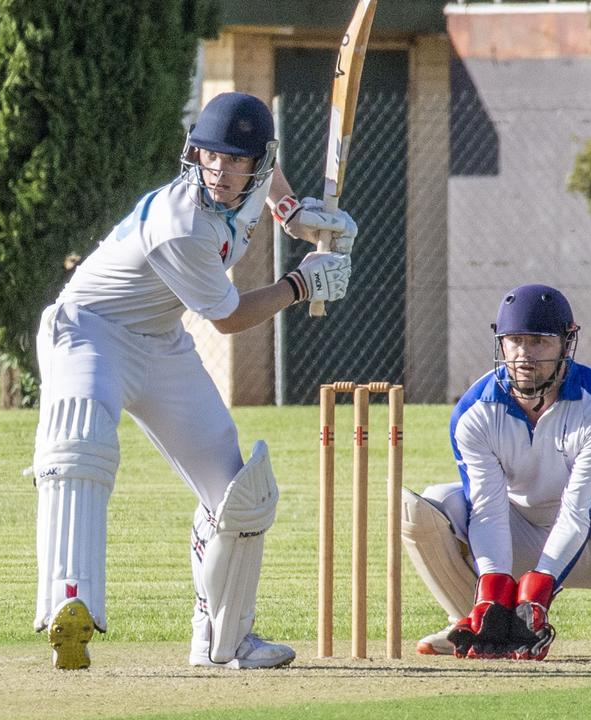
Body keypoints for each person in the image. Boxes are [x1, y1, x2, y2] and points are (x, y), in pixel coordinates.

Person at [31, 92, 357, 670]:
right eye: (211, 157)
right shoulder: (180, 224)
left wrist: (293, 213)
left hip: (161, 344)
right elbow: (228, 318)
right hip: (89, 331)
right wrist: (301, 285)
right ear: (195, 154)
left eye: (236, 161)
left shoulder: (255, 179)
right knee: (81, 446)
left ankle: (222, 641)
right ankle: (69, 607)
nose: (222, 172)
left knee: (243, 494)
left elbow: (271, 176)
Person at [400, 284, 591, 661]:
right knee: (426, 505)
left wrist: (538, 590)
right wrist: (495, 589)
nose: (524, 355)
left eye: (539, 342)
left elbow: (578, 510)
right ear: (500, 343)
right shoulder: (475, 412)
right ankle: (474, 618)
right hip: (518, 532)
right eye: (514, 340)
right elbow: (487, 509)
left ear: (566, 344)